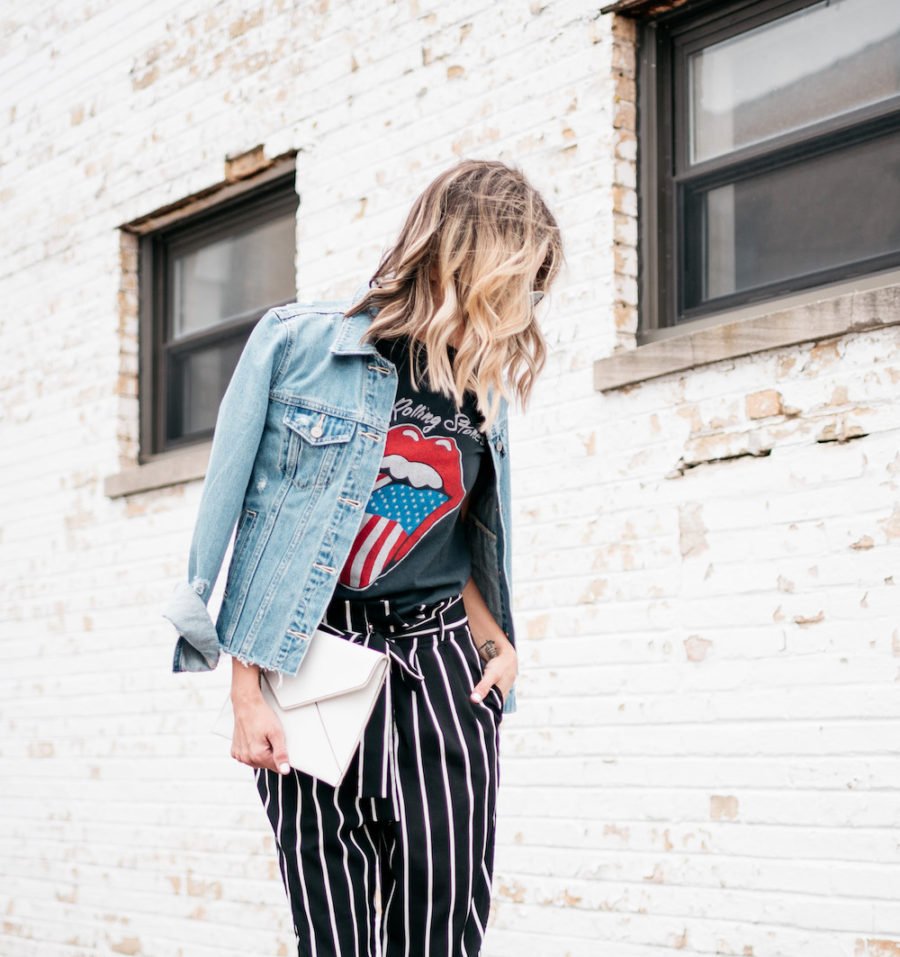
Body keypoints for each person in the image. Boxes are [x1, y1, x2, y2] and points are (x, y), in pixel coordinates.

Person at [166, 157, 564, 956]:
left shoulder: (480, 390)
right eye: (522, 280)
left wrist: (498, 645)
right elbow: (245, 517)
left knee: (444, 929)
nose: (526, 305)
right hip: (308, 663)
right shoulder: (295, 345)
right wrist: (244, 688)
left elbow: (464, 538)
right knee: (334, 931)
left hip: (442, 668)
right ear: (469, 261)